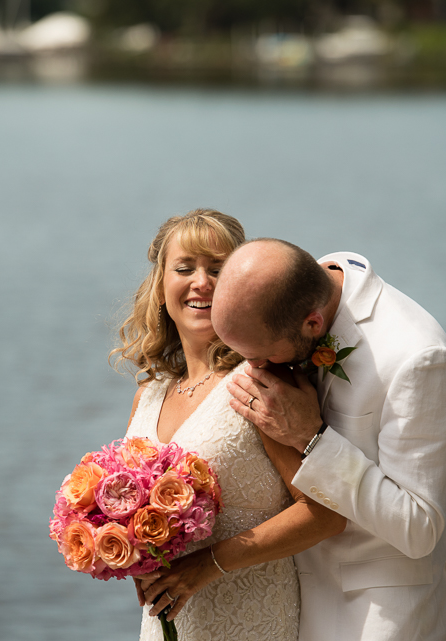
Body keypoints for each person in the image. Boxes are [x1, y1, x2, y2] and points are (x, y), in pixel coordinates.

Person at [211, 239, 446, 641]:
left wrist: (311, 439)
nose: (253, 367)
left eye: (261, 356)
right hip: (289, 601)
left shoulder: (419, 358)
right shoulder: (297, 290)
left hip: (380, 614)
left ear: (313, 324)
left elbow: (419, 527)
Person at [112, 211, 346, 641]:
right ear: (161, 288)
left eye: (217, 269)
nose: (201, 282)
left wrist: (209, 564)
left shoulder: (259, 384)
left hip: (250, 619)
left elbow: (325, 514)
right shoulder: (148, 397)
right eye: (185, 268)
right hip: (166, 621)